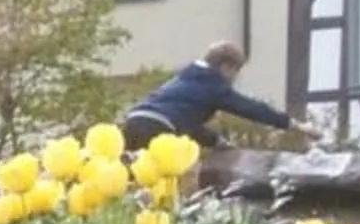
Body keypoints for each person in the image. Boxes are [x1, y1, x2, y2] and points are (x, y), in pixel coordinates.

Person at [121, 42, 290, 153]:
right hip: (158, 129)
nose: (234, 79)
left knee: (135, 177)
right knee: (166, 177)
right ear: (226, 67)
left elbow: (187, 124)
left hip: (133, 121)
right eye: (235, 72)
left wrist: (216, 141)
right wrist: (290, 123)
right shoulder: (213, 84)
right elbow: (250, 108)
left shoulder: (184, 79)